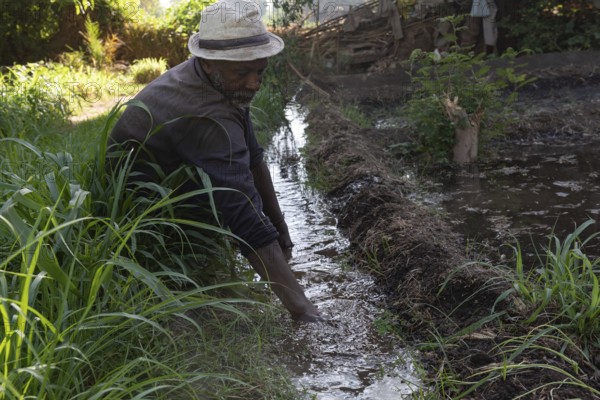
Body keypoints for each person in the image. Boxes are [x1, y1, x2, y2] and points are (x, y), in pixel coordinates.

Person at [108, 0, 322, 322]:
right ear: (209, 63)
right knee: (235, 208)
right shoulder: (206, 114)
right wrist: (304, 310)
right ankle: (186, 263)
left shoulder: (219, 82)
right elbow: (242, 210)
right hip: (137, 208)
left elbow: (253, 158)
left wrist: (280, 227)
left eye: (260, 71)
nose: (254, 83)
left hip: (171, 178)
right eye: (243, 72)